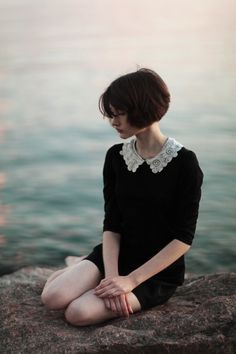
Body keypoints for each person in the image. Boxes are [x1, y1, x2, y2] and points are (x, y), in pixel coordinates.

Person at [41, 68, 204, 326]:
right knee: (52, 298)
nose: (114, 122)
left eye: (120, 114)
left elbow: (183, 238)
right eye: (112, 115)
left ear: (144, 109)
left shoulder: (185, 163)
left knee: (77, 313)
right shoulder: (116, 156)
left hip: (154, 273)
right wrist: (112, 277)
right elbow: (112, 223)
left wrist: (130, 281)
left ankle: (78, 266)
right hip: (114, 256)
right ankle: (79, 265)